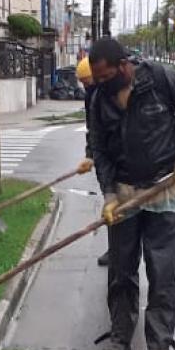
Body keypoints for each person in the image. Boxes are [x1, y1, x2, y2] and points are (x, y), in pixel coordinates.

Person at [86, 37, 175, 350]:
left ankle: (159, 342)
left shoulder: (158, 78)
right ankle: (119, 335)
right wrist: (110, 194)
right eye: (96, 80)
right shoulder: (100, 99)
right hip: (125, 191)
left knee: (162, 269)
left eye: (104, 76)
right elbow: (99, 148)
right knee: (121, 268)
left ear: (123, 66)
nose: (99, 84)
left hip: (163, 189)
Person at [73, 57, 109, 268]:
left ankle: (122, 251)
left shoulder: (110, 91)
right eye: (83, 83)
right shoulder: (91, 96)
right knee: (111, 202)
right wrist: (90, 155)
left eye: (88, 82)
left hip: (118, 158)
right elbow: (92, 128)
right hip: (103, 155)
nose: (86, 87)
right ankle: (117, 249)